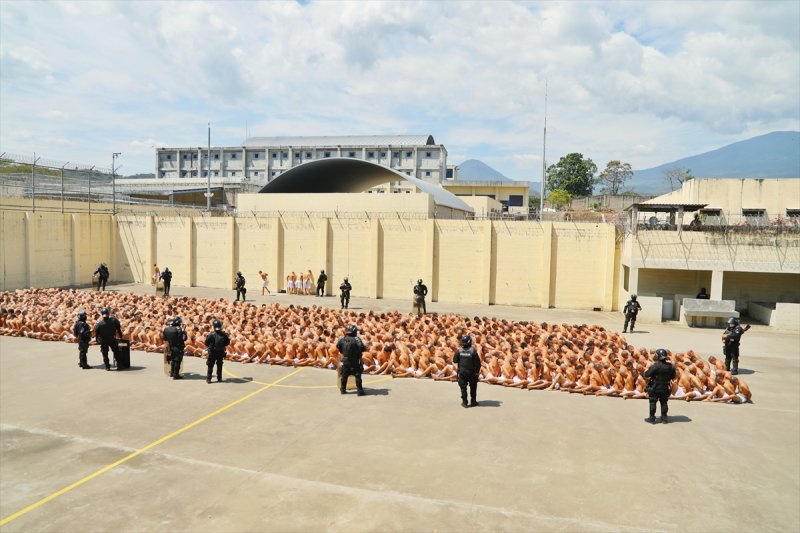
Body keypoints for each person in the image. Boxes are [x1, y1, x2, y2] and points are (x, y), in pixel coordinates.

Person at [643, 348, 676, 424]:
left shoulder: (655, 366)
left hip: (655, 387)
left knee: (653, 402)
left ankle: (652, 418)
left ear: (658, 356)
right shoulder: (671, 366)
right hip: (665, 386)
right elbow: (673, 376)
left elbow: (647, 374)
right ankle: (664, 418)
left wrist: (644, 373)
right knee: (664, 402)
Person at [336, 324, 366, 395]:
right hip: (355, 360)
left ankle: (343, 389)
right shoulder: (356, 339)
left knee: (344, 375)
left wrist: (343, 351)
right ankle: (360, 391)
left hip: (345, 360)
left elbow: (338, 346)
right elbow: (362, 348)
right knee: (357, 375)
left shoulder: (342, 338)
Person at [454, 334, 481, 408]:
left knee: (463, 388)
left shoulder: (459, 351)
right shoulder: (473, 351)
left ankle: (464, 402)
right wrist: (477, 372)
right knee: (473, 387)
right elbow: (478, 364)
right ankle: (473, 401)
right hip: (472, 372)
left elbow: (455, 360)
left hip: (462, 372)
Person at [93, 307, 122, 371]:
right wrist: (120, 337)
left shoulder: (99, 324)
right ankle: (119, 365)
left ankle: (107, 366)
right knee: (116, 352)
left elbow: (97, 334)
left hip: (104, 340)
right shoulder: (114, 321)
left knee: (105, 353)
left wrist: (97, 340)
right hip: (112, 339)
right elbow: (119, 329)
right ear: (108, 313)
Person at [204, 319, 230, 384]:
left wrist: (211, 346)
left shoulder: (211, 334)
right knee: (219, 365)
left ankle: (208, 379)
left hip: (212, 352)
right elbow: (227, 342)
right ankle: (219, 378)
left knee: (210, 365)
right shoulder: (224, 334)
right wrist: (222, 346)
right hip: (220, 352)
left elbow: (206, 343)